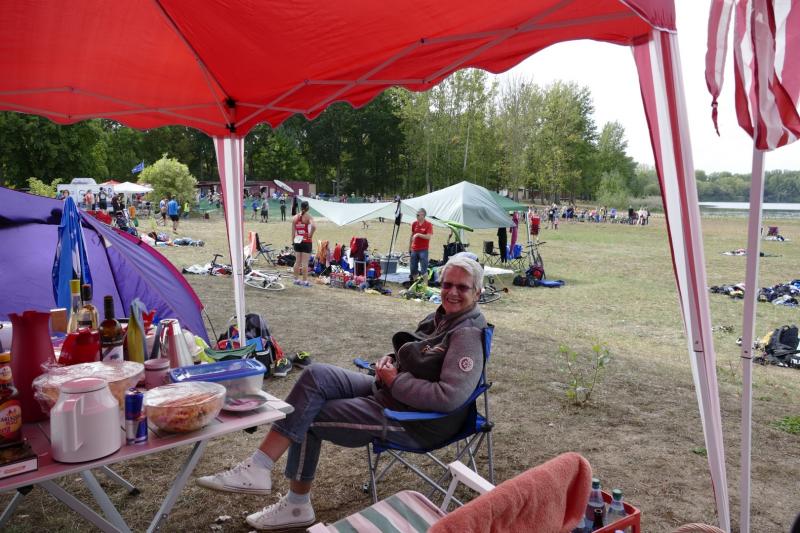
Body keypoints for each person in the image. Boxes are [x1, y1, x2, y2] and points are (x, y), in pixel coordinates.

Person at [196, 256, 488, 531]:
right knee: (316, 375)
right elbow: (416, 349)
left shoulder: (467, 335)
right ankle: (258, 466)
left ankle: (297, 505)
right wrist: (389, 361)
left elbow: (449, 397)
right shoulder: (441, 316)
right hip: (389, 392)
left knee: (308, 416)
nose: (452, 292)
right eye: (447, 284)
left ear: (477, 292)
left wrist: (396, 381)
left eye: (461, 287)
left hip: (415, 421)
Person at [291, 200, 315, 286]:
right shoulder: (308, 216)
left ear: (301, 207)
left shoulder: (295, 217)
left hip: (297, 241)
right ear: (307, 207)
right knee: (305, 262)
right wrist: (310, 235)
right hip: (306, 241)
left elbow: (293, 232)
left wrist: (293, 242)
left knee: (297, 261)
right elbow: (314, 226)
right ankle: (305, 281)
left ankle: (296, 279)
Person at [409, 208, 433, 281]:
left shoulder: (428, 224)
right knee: (413, 269)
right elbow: (412, 235)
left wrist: (418, 234)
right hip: (414, 249)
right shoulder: (414, 224)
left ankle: (425, 286)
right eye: (416, 215)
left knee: (423, 270)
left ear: (423, 215)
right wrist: (409, 247)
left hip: (423, 250)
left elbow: (428, 237)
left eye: (418, 215)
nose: (416, 216)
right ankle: (415, 284)